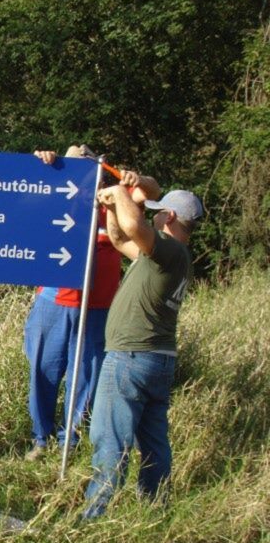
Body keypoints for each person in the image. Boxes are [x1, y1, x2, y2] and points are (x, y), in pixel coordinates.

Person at [23, 146, 160, 461]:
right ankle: (40, 440)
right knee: (42, 370)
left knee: (85, 378)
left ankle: (68, 443)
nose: (87, 176)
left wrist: (136, 177)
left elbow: (152, 191)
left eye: (91, 168)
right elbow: (25, 191)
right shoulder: (58, 191)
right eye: (77, 166)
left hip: (98, 305)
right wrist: (44, 163)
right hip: (53, 299)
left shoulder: (117, 196)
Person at [81, 187, 204, 518]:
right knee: (153, 445)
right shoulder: (165, 257)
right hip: (156, 360)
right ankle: (154, 511)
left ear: (171, 217)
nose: (154, 214)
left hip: (130, 358)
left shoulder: (170, 251)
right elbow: (122, 239)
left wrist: (120, 191)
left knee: (110, 441)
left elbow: (135, 226)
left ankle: (93, 517)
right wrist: (110, 206)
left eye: (159, 210)